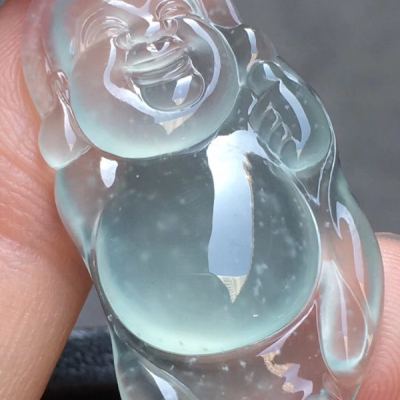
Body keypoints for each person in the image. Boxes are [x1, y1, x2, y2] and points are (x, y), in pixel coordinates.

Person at [0, 1, 399, 399]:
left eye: (173, 14)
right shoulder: (92, 175)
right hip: (169, 367)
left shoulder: (257, 101)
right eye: (110, 33)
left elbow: (322, 184)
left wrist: (300, 139)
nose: (152, 38)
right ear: (64, 91)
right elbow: (102, 267)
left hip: (304, 340)